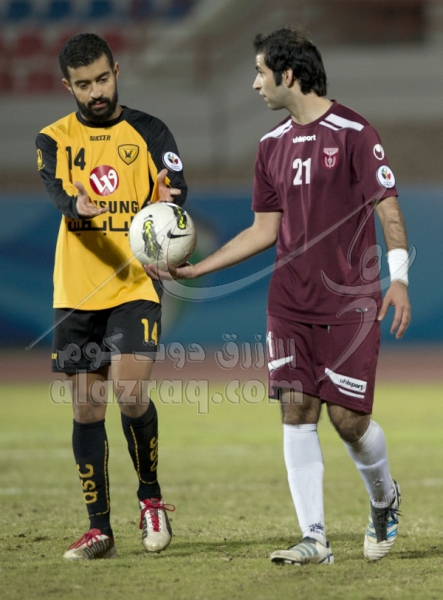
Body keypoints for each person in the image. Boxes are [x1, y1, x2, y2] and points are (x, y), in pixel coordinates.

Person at [146, 26, 411, 565]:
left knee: (348, 422)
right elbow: (263, 230)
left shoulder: (355, 132)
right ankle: (315, 538)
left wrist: (400, 277)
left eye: (260, 72)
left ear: (288, 75)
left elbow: (388, 210)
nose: (254, 84)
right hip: (289, 302)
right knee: (296, 409)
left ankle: (384, 499)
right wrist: (197, 268)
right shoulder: (270, 146)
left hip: (350, 302)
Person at [36, 32, 187, 560]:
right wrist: (75, 204)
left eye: (102, 79)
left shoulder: (150, 131)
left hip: (134, 284)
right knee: (86, 409)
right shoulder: (53, 138)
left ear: (116, 71)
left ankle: (151, 500)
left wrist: (170, 203)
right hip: (76, 290)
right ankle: (99, 529)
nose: (96, 91)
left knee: (129, 393)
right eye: (84, 85)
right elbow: (59, 192)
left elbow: (175, 196)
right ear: (68, 86)